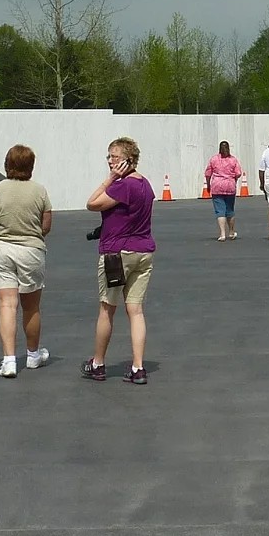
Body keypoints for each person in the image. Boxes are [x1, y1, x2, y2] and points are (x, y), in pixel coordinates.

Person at [83, 136, 156, 384]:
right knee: (136, 311)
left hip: (118, 253)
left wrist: (111, 178)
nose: (110, 161)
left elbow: (92, 203)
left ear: (127, 160)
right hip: (143, 251)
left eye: (113, 157)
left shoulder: (122, 185)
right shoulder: (145, 185)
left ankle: (98, 363)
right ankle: (138, 367)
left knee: (107, 309)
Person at [0, 144, 52, 377]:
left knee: (7, 306)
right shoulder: (39, 191)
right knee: (31, 307)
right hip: (31, 250)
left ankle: (9, 360)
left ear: (7, 164)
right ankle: (33, 355)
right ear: (31, 166)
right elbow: (46, 227)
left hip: (2, 250)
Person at [204, 141, 245, 242]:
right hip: (229, 186)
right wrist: (233, 179)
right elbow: (238, 173)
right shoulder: (233, 160)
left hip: (217, 186)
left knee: (220, 211)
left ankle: (222, 234)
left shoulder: (214, 159)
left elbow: (208, 173)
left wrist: (208, 185)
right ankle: (231, 232)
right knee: (230, 210)